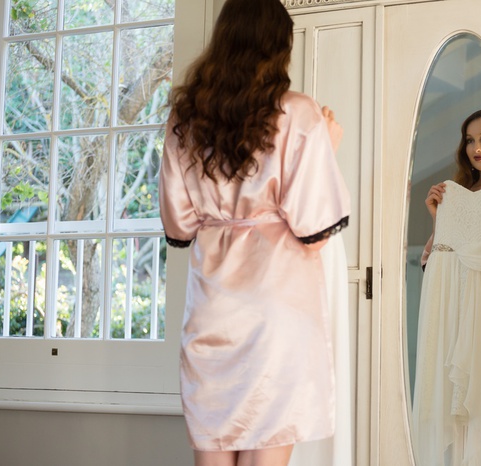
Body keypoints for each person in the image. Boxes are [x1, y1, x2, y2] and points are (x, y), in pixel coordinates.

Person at [158, 1, 351, 465]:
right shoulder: (297, 112)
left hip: (214, 306)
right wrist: (326, 144)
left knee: (213, 452)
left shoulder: (185, 120)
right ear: (279, 47)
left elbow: (179, 225)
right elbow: (314, 229)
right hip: (278, 308)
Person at [411, 109, 481, 466]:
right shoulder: (454, 195)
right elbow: (435, 261)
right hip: (453, 309)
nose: (476, 147)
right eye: (470, 139)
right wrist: (437, 217)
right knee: (452, 398)